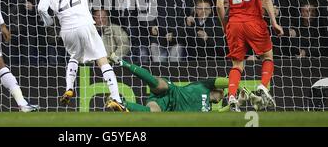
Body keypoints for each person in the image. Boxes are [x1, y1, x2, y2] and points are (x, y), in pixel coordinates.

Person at [37, 0, 127, 112]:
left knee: (75, 56)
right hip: (84, 24)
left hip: (65, 30)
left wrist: (49, 23)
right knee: (102, 60)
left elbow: (41, 9)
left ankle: (69, 87)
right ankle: (116, 98)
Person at [215, 0, 284, 112]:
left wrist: (225, 25)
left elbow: (219, 5)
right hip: (254, 21)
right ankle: (262, 86)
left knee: (237, 65)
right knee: (267, 57)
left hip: (235, 24)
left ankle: (231, 97)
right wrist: (274, 22)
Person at [108, 55, 261, 112]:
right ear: (218, 90)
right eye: (223, 94)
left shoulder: (208, 111)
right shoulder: (206, 85)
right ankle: (121, 62)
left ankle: (120, 103)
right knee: (158, 84)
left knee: (154, 113)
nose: (222, 98)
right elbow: (228, 81)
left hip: (167, 108)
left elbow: (222, 112)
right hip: (170, 92)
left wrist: (238, 102)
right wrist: (240, 87)